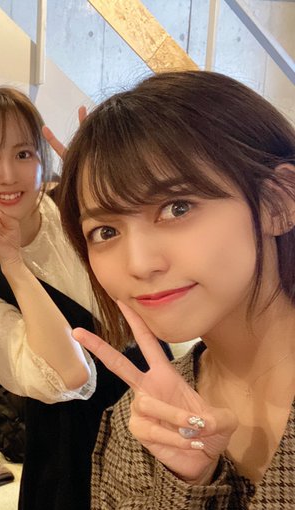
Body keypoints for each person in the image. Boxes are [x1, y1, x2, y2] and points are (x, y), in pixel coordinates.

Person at [55, 70, 295, 508]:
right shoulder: (138, 424)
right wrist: (187, 483)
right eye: (106, 231)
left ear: (278, 202)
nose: (139, 264)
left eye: (177, 208)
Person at [0, 87, 163, 509]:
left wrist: (114, 177)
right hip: (74, 460)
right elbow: (70, 377)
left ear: (41, 160)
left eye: (23, 154)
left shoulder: (82, 213)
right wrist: (12, 262)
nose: (9, 175)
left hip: (159, 420)